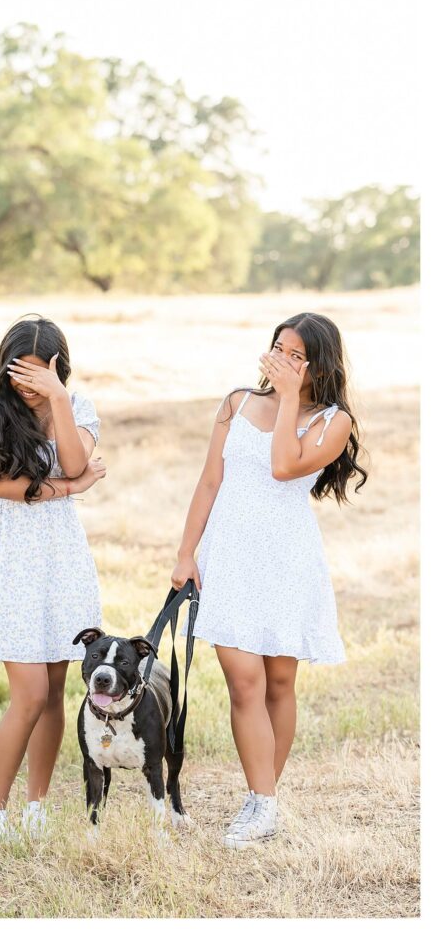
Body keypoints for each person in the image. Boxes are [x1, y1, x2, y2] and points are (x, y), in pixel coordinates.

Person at [170, 312, 368, 849]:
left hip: (286, 560)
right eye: (279, 348)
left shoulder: (333, 421)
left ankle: (263, 801)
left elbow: (285, 465)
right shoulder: (235, 403)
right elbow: (210, 480)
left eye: (297, 355)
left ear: (319, 364)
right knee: (245, 682)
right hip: (230, 556)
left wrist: (286, 400)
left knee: (280, 683)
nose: (283, 359)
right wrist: (186, 553)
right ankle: (263, 802)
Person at [0, 316, 106, 840]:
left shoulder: (77, 407)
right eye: (18, 376)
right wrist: (70, 489)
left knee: (53, 691)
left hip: (62, 554)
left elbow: (76, 458)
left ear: (57, 369)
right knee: (27, 693)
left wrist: (58, 401)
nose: (25, 388)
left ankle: (36, 806)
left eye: (37, 377)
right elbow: (3, 486)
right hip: (14, 553)